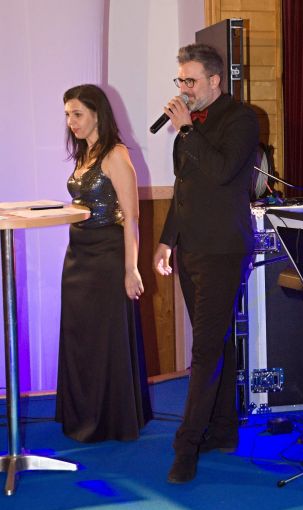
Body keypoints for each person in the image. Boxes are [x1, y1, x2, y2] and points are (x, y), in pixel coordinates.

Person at [153, 44, 259, 484]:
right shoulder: (193, 125)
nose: (184, 88)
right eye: (180, 80)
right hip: (191, 248)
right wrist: (166, 241)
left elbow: (221, 171)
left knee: (204, 349)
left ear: (215, 80)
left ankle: (187, 446)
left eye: (191, 80)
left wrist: (185, 130)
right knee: (215, 342)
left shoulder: (242, 119)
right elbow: (186, 187)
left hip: (223, 250)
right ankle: (223, 429)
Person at [56, 84, 152, 442]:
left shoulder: (115, 154)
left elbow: (131, 217)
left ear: (98, 114)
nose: (71, 121)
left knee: (103, 338)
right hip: (78, 254)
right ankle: (82, 413)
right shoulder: (85, 153)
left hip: (107, 256)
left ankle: (107, 420)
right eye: (68, 115)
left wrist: (131, 268)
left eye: (77, 114)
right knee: (80, 336)